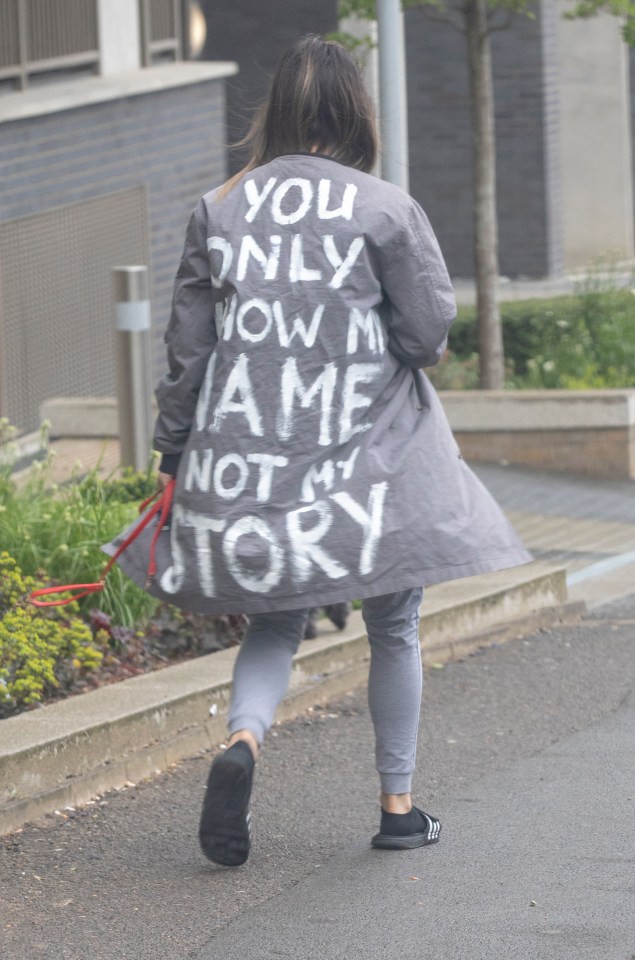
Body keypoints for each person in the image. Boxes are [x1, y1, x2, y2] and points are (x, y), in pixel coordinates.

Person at [108, 35, 531, 867]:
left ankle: (243, 741)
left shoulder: (218, 206)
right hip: (371, 466)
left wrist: (171, 454)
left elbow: (188, 351)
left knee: (272, 626)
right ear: (354, 113)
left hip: (260, 462)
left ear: (277, 117)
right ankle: (398, 807)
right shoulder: (383, 207)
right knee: (395, 627)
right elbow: (425, 334)